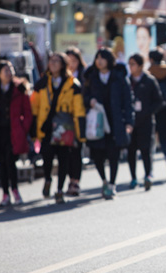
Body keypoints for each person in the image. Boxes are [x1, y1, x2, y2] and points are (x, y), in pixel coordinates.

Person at [31, 53, 86, 204]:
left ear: (63, 64)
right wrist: (33, 128)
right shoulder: (42, 83)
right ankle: (48, 179)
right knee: (47, 157)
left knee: (64, 159)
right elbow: (34, 106)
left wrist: (80, 133)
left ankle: (60, 189)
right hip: (46, 126)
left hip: (65, 128)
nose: (53, 64)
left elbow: (78, 109)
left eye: (57, 61)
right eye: (51, 61)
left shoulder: (72, 83)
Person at [83, 48, 133, 199]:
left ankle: (112, 184)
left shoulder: (119, 77)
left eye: (103, 58)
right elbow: (83, 97)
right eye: (97, 58)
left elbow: (127, 101)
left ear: (109, 60)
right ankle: (104, 180)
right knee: (97, 156)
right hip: (97, 122)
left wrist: (129, 122)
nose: (99, 61)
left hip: (115, 121)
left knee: (113, 155)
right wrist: (89, 101)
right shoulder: (91, 77)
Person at [0, 60, 32, 207]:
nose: (9, 73)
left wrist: (23, 128)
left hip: (14, 130)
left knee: (11, 161)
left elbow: (27, 112)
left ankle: (15, 190)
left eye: (10, 70)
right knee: (1, 163)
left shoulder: (19, 88)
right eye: (5, 70)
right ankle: (5, 194)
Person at [127, 53, 164, 191]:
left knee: (145, 150)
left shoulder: (149, 80)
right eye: (129, 64)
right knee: (131, 151)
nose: (130, 67)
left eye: (133, 64)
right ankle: (133, 178)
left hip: (146, 122)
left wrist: (147, 111)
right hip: (131, 122)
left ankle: (148, 175)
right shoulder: (127, 81)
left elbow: (159, 101)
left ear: (141, 65)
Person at [149, 49, 166, 175]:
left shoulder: (149, 74)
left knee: (151, 139)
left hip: (153, 110)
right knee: (165, 138)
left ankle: (150, 168)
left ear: (150, 59)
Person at [65, 47, 87, 196]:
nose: (72, 64)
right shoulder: (60, 77)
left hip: (80, 118)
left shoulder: (86, 76)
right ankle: (69, 180)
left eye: (74, 60)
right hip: (64, 119)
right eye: (69, 61)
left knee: (77, 150)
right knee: (65, 152)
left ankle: (76, 181)